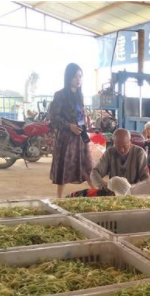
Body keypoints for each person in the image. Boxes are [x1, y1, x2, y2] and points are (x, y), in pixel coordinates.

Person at [49, 63, 94, 198]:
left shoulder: (80, 96)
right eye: (75, 77)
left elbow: (80, 116)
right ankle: (59, 197)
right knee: (64, 165)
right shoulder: (60, 95)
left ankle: (96, 190)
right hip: (66, 139)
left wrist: (85, 126)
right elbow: (54, 117)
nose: (78, 79)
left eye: (80, 76)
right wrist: (69, 126)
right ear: (68, 78)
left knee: (87, 165)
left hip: (80, 136)